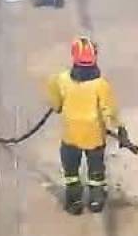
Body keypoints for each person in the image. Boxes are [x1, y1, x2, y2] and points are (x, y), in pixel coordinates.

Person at [45, 36, 128, 214]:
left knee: (71, 172)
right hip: (94, 136)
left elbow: (55, 103)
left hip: (70, 135)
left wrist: (59, 105)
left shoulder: (60, 80)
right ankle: (96, 200)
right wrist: (121, 130)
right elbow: (110, 111)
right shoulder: (101, 85)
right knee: (96, 170)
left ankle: (74, 201)